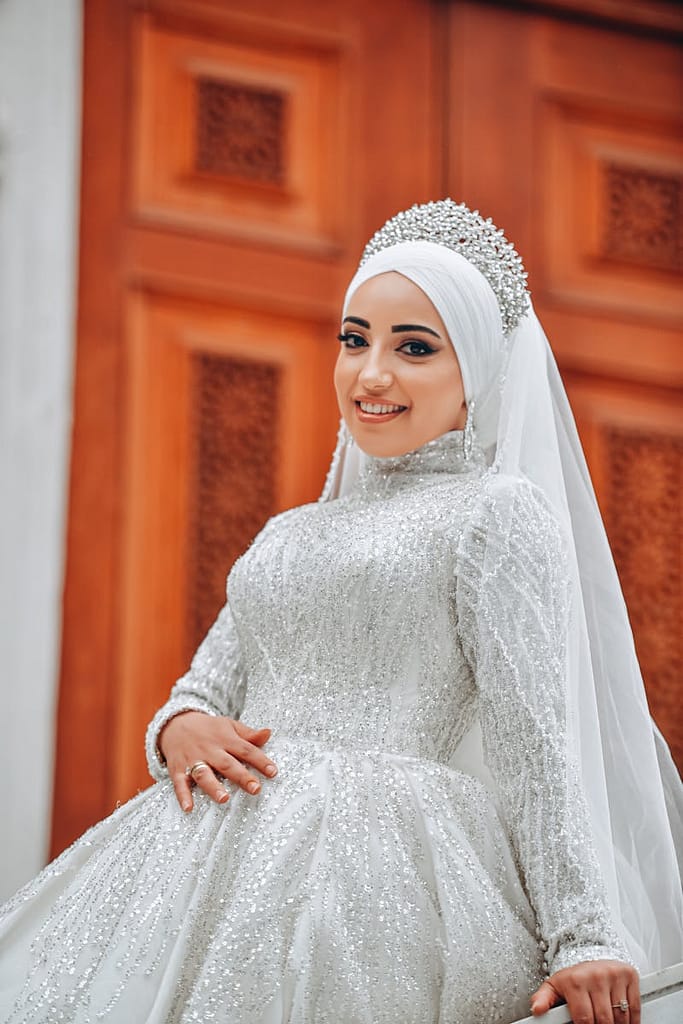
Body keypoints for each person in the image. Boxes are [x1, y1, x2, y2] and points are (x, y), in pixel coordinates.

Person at [1, 200, 681, 1024]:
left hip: (380, 883)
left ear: (480, 374)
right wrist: (178, 727)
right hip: (205, 855)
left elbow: (533, 740)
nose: (370, 375)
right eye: (354, 340)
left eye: (415, 349)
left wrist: (582, 934)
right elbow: (205, 686)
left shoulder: (495, 513)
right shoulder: (289, 532)